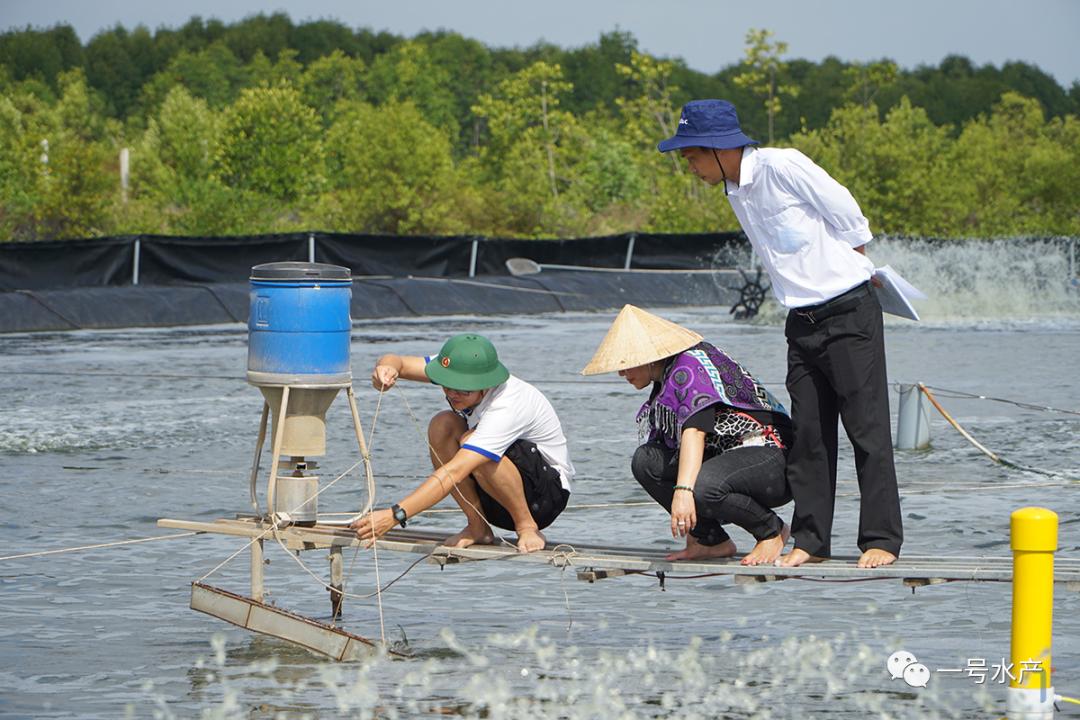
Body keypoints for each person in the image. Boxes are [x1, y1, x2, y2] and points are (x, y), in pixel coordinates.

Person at [657, 99, 903, 569]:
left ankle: (882, 539)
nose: (689, 167)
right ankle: (811, 541)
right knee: (809, 435)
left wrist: (845, 271)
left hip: (848, 312)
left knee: (866, 430)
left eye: (691, 156)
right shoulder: (735, 190)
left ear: (718, 148)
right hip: (801, 321)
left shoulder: (782, 165)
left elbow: (849, 214)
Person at [582, 304, 794, 566]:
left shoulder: (688, 366)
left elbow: (694, 430)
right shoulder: (665, 376)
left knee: (702, 486)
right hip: (727, 456)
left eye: (625, 365)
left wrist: (683, 492)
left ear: (647, 357)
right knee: (646, 461)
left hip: (770, 453)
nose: (621, 373)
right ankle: (710, 540)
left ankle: (771, 531)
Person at [351, 333, 573, 553]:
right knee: (443, 424)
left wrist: (395, 515)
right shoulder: (455, 365)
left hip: (545, 499)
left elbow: (455, 471)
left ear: (485, 384)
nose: (453, 394)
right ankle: (478, 526)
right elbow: (398, 361)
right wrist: (387, 368)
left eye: (463, 390)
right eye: (447, 386)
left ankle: (526, 527)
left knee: (472, 445)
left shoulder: (507, 404)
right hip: (495, 497)